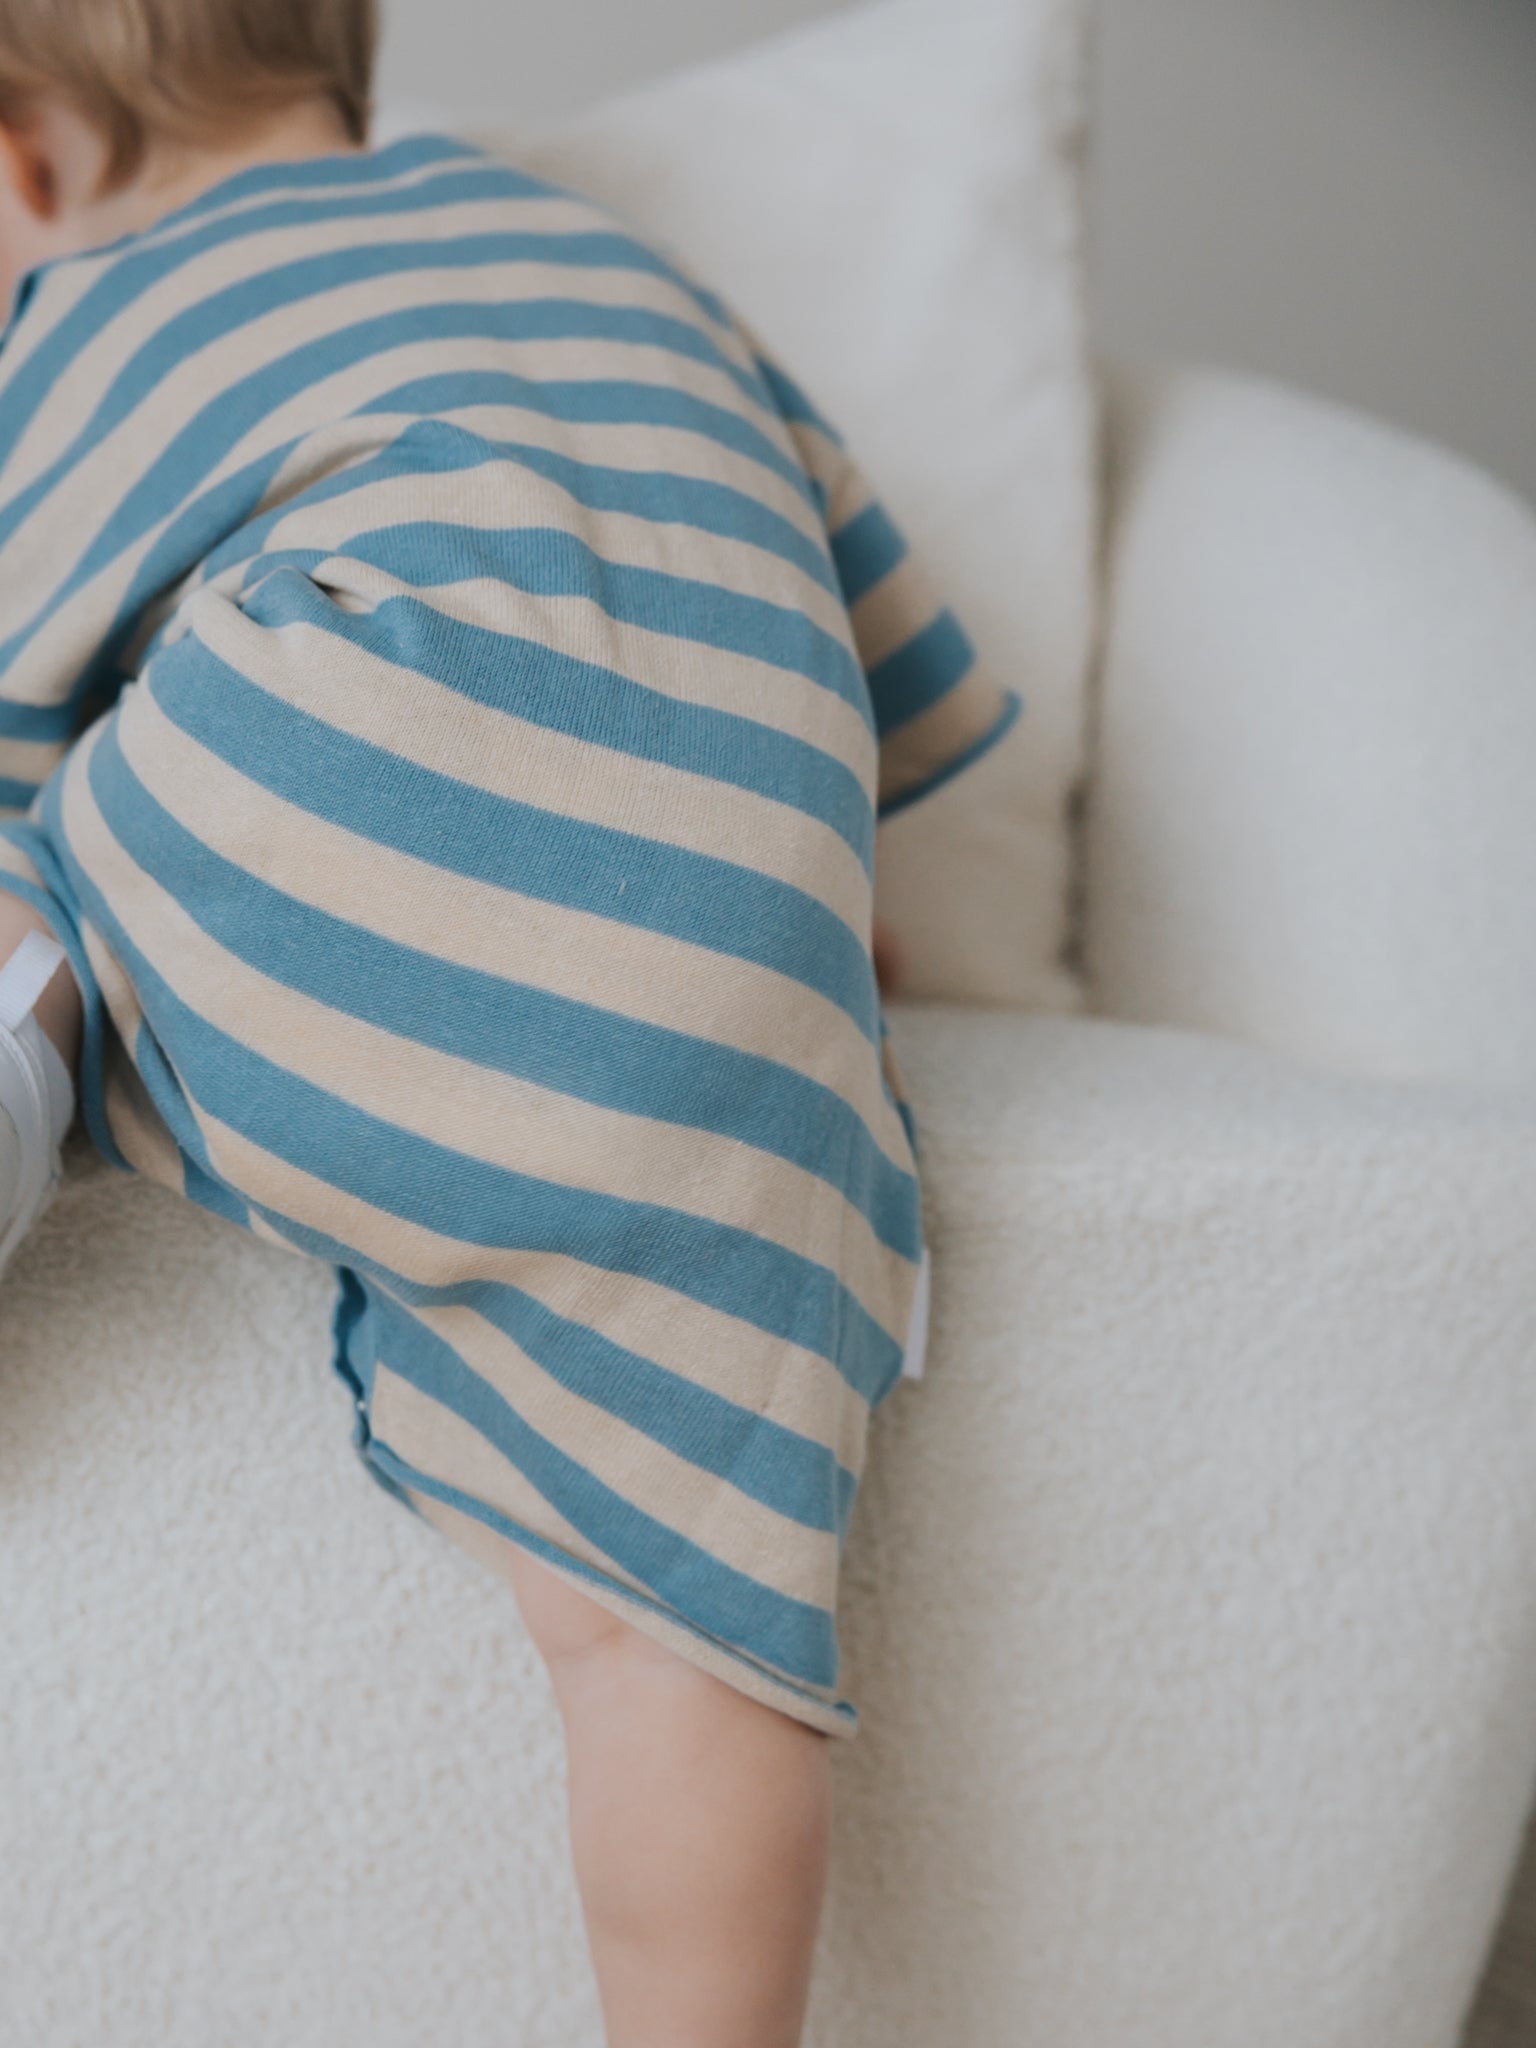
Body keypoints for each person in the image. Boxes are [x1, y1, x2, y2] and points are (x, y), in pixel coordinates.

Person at [0, 3, 1020, 2041]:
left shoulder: (90, 325)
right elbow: (870, 664)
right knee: (675, 1630)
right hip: (741, 969)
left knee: (44, 871)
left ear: (20, 157)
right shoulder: (616, 272)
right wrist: (834, 930)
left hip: (319, 767)